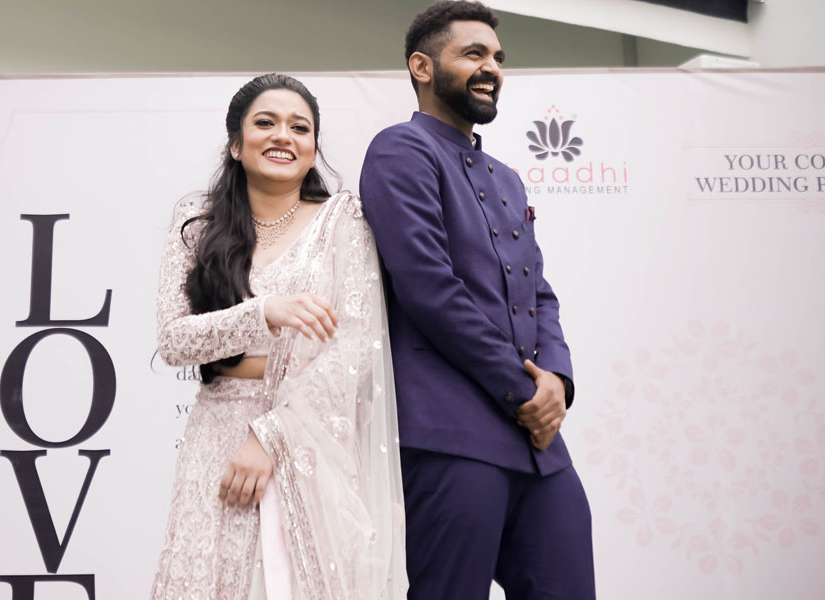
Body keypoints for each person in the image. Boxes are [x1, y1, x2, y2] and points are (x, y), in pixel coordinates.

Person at [359, 2, 595, 599]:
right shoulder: (400, 150)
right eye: (473, 54)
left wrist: (558, 381)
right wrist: (525, 392)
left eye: (497, 57)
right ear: (422, 67)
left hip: (538, 444)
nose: (491, 67)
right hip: (451, 433)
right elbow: (429, 288)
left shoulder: (507, 176)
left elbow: (539, 292)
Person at [151, 73, 407, 600]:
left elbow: (355, 346)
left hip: (309, 436)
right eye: (265, 123)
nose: (282, 136)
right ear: (236, 144)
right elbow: (175, 341)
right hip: (216, 437)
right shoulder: (197, 224)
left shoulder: (343, 220)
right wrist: (264, 312)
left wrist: (271, 435)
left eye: (299, 127)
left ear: (313, 150)